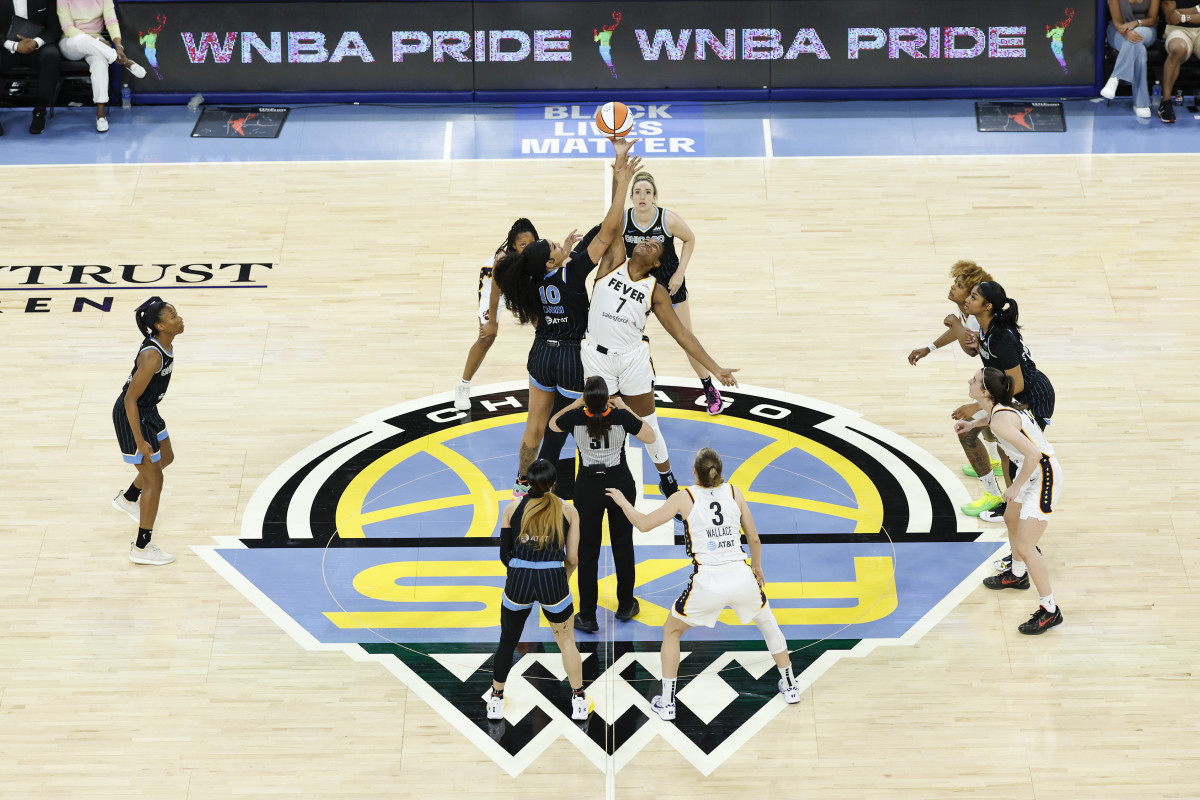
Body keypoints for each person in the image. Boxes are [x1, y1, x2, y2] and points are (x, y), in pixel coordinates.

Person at [493, 139, 642, 497]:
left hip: (541, 354)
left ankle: (521, 484)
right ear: (549, 262)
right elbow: (608, 233)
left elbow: (547, 264)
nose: (561, 247)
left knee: (535, 423)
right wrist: (621, 181)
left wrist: (559, 254)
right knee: (561, 428)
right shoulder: (571, 273)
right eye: (555, 248)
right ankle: (545, 490)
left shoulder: (529, 281)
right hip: (571, 357)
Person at [606, 447, 801, 720]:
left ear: (695, 472)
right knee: (768, 623)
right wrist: (756, 567)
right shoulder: (735, 493)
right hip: (740, 575)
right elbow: (754, 539)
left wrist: (623, 503)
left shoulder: (683, 498)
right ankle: (791, 686)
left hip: (708, 581)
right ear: (720, 472)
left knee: (672, 632)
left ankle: (668, 702)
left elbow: (644, 524)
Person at [586, 209, 739, 500]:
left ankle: (667, 478)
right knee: (598, 422)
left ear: (657, 263)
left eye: (655, 245)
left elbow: (682, 335)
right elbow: (614, 224)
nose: (646, 242)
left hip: (632, 359)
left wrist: (715, 369)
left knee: (649, 425)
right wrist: (621, 178)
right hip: (597, 356)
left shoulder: (656, 291)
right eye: (643, 241)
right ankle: (600, 475)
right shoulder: (612, 262)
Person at [955, 369, 1064, 635]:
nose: (970, 381)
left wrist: (1015, 487)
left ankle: (1050, 610)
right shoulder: (999, 410)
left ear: (984, 392)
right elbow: (992, 419)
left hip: (1042, 476)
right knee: (1010, 518)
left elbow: (1034, 454)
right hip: (1030, 472)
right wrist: (971, 425)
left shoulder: (1000, 419)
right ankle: (1016, 574)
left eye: (975, 380)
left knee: (1027, 547)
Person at [610, 170, 726, 416]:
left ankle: (709, 388)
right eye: (638, 192)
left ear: (655, 197)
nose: (643, 196)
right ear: (631, 197)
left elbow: (690, 239)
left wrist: (680, 273)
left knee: (686, 338)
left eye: (648, 192)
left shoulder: (667, 219)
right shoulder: (623, 220)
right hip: (640, 285)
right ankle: (619, 391)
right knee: (624, 337)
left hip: (670, 284)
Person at [487, 460, 593, 721]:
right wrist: (562, 579)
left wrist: (520, 575)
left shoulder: (512, 509)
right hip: (553, 581)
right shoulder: (569, 511)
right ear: (554, 482)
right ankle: (579, 701)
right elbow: (573, 559)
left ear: (527, 482)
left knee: (507, 642)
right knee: (566, 642)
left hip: (519, 582)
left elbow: (504, 556)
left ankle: (496, 700)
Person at [549, 377, 657, 631]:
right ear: (607, 398)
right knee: (623, 545)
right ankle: (626, 604)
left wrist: (576, 404)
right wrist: (625, 407)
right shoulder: (620, 417)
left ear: (587, 399)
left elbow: (553, 424)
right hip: (619, 483)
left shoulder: (575, 418)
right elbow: (650, 436)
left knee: (587, 552)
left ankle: (587, 616)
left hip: (588, 487)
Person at [907, 260, 1006, 519]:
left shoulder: (973, 316)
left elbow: (969, 349)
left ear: (974, 296)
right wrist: (929, 347)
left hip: (1006, 386)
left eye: (960, 286)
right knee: (988, 430)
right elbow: (959, 333)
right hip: (996, 381)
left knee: (967, 432)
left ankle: (993, 496)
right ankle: (993, 460)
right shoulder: (969, 312)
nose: (953, 287)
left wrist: (978, 406)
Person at [955, 281, 1055, 525]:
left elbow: (1016, 384)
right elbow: (998, 370)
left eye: (974, 297)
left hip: (1032, 396)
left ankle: (1017, 507)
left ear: (987, 306)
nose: (968, 299)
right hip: (1015, 394)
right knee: (1005, 449)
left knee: (1020, 455)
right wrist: (977, 346)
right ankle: (1010, 500)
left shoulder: (1000, 338)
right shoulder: (987, 328)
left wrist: (978, 405)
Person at [111, 297, 183, 566]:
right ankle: (142, 547)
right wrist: (140, 441)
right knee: (154, 480)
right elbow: (130, 399)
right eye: (173, 316)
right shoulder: (153, 355)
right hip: (133, 414)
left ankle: (129, 498)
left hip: (148, 410)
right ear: (160, 325)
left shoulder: (165, 343)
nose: (179, 319)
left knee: (167, 457)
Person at [454, 218, 540, 412]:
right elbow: (495, 293)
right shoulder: (502, 261)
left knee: (543, 326)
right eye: (522, 245)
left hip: (520, 284)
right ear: (513, 246)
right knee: (487, 336)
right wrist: (492, 322)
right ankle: (463, 386)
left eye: (531, 244)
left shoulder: (539, 253)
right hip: (494, 286)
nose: (527, 248)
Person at [56, 0, 146, 132]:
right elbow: (67, 28)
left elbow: (111, 22)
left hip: (97, 43)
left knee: (100, 62)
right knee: (83, 40)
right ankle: (124, 61)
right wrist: (96, 41)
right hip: (71, 41)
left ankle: (101, 114)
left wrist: (119, 46)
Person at [1, 0, 61, 134]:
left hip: (36, 47)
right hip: (6, 47)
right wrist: (14, 46)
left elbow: (54, 28)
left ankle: (40, 110)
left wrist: (36, 42)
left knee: (52, 55)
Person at [1100, 0, 1160, 118]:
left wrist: (1135, 23)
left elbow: (1152, 19)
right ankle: (1141, 103)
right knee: (1139, 49)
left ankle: (1115, 77)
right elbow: (1117, 21)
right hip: (1118, 30)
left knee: (1136, 38)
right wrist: (1127, 33)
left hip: (1145, 29)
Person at [1159, 1, 1200, 122]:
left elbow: (1177, 15)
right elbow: (1171, 18)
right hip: (1177, 29)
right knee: (1178, 49)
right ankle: (1165, 102)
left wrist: (1183, 15)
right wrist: (1196, 9)